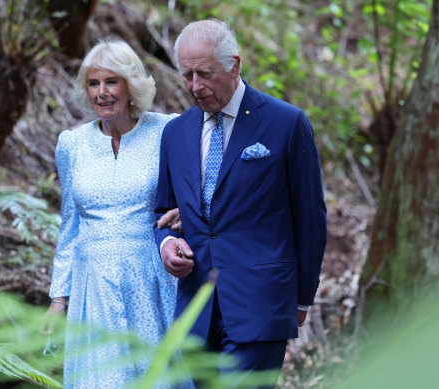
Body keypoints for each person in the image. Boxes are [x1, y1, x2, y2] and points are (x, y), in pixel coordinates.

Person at [153, 19, 327, 387]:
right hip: (196, 310)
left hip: (261, 303)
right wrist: (167, 244)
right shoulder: (174, 132)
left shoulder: (286, 123)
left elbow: (310, 219)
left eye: (204, 73)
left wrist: (302, 298)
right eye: (187, 75)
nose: (195, 86)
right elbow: (162, 211)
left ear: (234, 65)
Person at [41, 39, 187, 389]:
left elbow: (202, 181)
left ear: (131, 85)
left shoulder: (166, 130)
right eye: (94, 83)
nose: (102, 93)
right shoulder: (72, 145)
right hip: (93, 283)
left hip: (150, 278)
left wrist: (188, 210)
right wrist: (58, 297)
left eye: (111, 82)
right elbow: (69, 225)